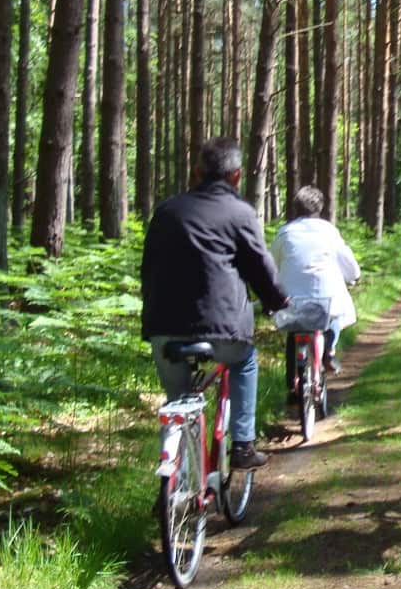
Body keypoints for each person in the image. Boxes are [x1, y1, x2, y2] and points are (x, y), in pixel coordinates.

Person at [141, 137, 288, 470]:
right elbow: (260, 267)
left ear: (196, 172)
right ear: (236, 176)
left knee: (177, 402)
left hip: (163, 329)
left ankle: (173, 488)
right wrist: (277, 301)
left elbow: (148, 268)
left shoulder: (166, 210)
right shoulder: (240, 212)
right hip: (224, 331)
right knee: (246, 360)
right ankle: (243, 445)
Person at [272, 185, 361, 412]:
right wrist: (354, 276)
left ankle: (291, 388)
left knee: (294, 333)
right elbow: (348, 264)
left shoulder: (284, 233)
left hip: (291, 300)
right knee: (336, 312)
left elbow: (271, 264)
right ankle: (329, 351)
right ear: (320, 207)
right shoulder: (329, 231)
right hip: (325, 299)